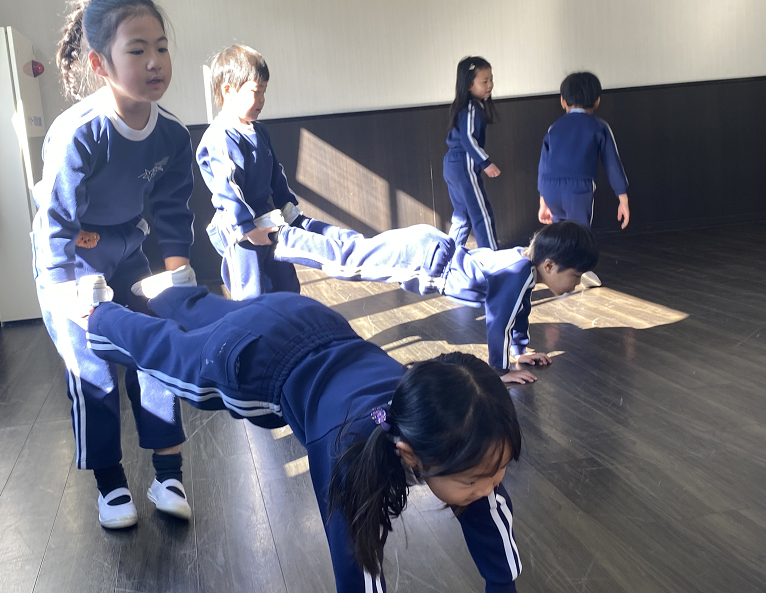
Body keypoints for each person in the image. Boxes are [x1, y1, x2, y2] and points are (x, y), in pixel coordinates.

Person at [74, 281, 524, 592]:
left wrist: (501, 585)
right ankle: (101, 314)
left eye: (498, 470)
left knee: (222, 312)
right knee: (171, 357)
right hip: (257, 364)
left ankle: (170, 291)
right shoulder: (349, 454)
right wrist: (100, 318)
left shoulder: (465, 437)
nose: (490, 486)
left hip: (306, 317)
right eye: (476, 481)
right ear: (408, 452)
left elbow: (487, 509)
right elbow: (357, 567)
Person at [31, 0, 197, 529]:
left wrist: (176, 276)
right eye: (137, 50)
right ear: (100, 64)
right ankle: (111, 485)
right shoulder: (80, 133)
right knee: (93, 366)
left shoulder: (172, 134)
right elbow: (56, 219)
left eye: (162, 47)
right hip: (70, 258)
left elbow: (172, 209)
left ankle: (168, 474)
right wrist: (66, 291)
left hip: (126, 245)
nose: (155, 62)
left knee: (156, 346)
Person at [269, 218, 598, 382]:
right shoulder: (518, 275)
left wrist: (520, 351)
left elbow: (519, 313)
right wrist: (500, 371)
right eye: (575, 275)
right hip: (423, 260)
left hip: (429, 245)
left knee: (359, 247)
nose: (576, 283)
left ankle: (303, 223)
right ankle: (283, 236)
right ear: (549, 265)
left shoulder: (523, 263)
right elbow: (499, 324)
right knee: (348, 263)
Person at [198, 44, 303, 300]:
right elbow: (227, 187)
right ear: (228, 91)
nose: (262, 100)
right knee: (251, 290)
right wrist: (246, 227)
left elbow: (276, 172)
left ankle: (290, 319)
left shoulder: (260, 131)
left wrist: (288, 206)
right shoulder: (221, 135)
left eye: (264, 91)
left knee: (285, 280)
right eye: (257, 91)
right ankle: (254, 324)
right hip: (237, 224)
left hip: (266, 214)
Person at [537, 71, 629, 286]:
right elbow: (612, 163)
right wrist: (622, 197)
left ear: (563, 101)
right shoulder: (599, 126)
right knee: (580, 232)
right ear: (597, 100)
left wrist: (543, 200)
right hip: (578, 188)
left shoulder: (554, 127)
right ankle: (581, 272)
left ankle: (556, 271)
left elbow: (544, 163)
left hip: (550, 187)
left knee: (560, 231)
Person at [443, 56, 501, 251]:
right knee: (482, 214)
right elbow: (468, 139)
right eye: (484, 81)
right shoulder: (471, 107)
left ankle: (446, 256)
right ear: (469, 85)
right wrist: (486, 163)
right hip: (463, 163)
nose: (490, 85)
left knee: (462, 216)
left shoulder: (465, 107)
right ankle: (491, 257)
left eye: (491, 79)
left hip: (452, 164)